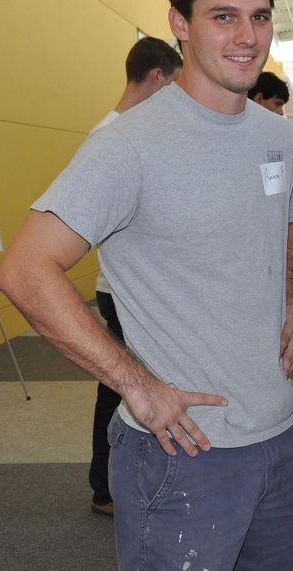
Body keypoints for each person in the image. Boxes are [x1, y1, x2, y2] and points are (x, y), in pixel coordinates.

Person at [0, 0, 293, 570]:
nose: (247, 36)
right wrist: (134, 385)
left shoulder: (280, 139)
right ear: (179, 24)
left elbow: (285, 225)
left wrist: (292, 301)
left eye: (259, 16)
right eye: (223, 17)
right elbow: (26, 270)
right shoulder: (130, 146)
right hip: (181, 451)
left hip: (280, 439)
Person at [86, 36, 182, 517]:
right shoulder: (113, 136)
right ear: (156, 77)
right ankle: (107, 488)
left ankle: (111, 485)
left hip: (137, 289)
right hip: (122, 291)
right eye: (174, 83)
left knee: (133, 388)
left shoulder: (138, 131)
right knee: (123, 389)